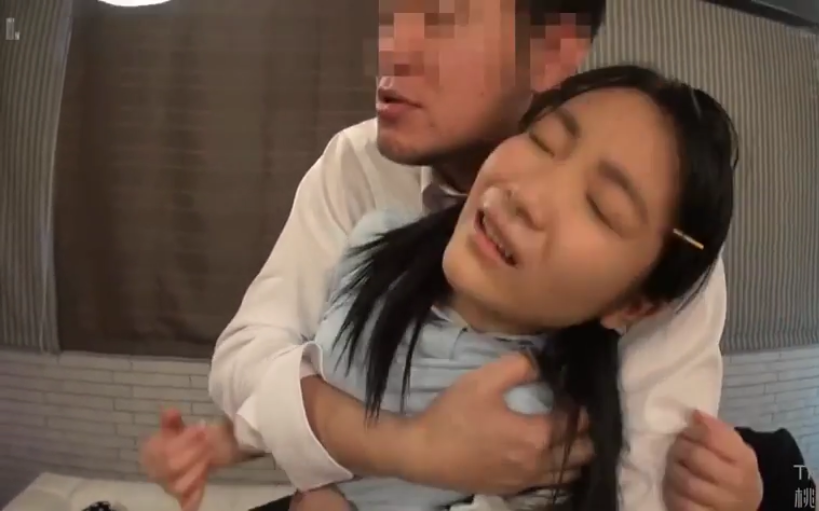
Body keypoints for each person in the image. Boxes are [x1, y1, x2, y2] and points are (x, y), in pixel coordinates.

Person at [143, 1, 764, 510]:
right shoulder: (362, 183)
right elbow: (248, 358)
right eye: (391, 13)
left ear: (551, 49)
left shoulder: (659, 256)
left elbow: (645, 484)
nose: (392, 49)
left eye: (442, 18)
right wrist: (407, 447)